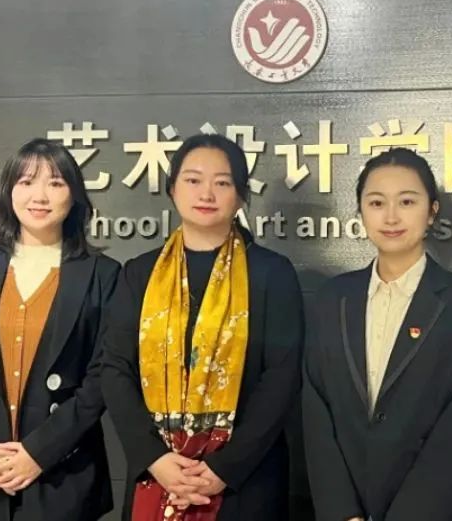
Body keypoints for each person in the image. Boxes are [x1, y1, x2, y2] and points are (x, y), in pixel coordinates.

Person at [101, 133, 303, 521]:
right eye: (193, 180)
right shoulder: (139, 274)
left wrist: (223, 468)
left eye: (222, 183)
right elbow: (114, 369)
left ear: (240, 196)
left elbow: (281, 378)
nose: (206, 193)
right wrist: (155, 458)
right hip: (157, 473)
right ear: (172, 189)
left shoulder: (271, 274)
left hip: (244, 480)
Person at [303, 147, 452, 521]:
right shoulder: (332, 299)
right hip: (350, 509)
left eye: (407, 201)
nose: (391, 216)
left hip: (438, 510)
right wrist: (343, 512)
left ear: (432, 211)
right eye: (377, 203)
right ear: (361, 212)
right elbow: (315, 410)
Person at [0, 138, 119, 520]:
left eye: (55, 183)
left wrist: (39, 452)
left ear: (74, 195)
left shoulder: (102, 275)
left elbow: (102, 376)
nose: (39, 196)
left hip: (63, 478)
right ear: (9, 190)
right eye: (26, 182)